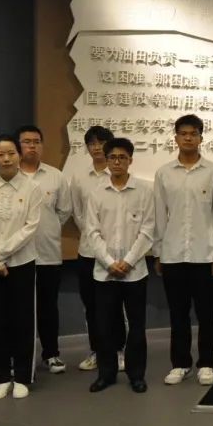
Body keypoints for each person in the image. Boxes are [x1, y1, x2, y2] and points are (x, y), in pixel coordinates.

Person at [154, 114, 213, 387]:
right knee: (178, 314)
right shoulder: (164, 173)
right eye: (183, 133)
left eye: (193, 133)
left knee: (207, 313)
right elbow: (159, 215)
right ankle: (180, 363)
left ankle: (206, 363)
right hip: (173, 253)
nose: (188, 137)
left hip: (204, 255)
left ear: (201, 138)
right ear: (175, 137)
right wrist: (158, 252)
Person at [0, 135, 43, 400]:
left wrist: (1, 253)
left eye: (11, 153)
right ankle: (0, 377)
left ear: (19, 155)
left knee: (23, 320)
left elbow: (31, 226)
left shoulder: (32, 188)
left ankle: (23, 376)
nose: (6, 159)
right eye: (0, 154)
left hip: (22, 263)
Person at [85, 138, 155, 394]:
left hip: (134, 272)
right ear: (106, 160)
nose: (117, 162)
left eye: (122, 157)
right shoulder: (96, 193)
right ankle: (106, 374)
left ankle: (136, 375)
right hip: (104, 272)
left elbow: (148, 230)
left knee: (137, 326)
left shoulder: (144, 192)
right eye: (112, 157)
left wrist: (127, 261)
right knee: (104, 326)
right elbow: (92, 232)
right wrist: (109, 262)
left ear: (130, 160)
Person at [17, 125, 73, 374]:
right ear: (18, 146)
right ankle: (21, 356)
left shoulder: (55, 176)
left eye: (36, 141)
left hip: (48, 254)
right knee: (20, 310)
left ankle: (51, 354)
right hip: (17, 256)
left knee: (48, 308)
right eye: (26, 141)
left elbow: (64, 211)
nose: (32, 146)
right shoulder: (9, 175)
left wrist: (47, 227)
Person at [68, 125, 123, 371]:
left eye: (101, 142)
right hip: (88, 251)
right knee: (91, 305)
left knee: (114, 304)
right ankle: (97, 351)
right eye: (92, 143)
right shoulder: (80, 178)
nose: (97, 147)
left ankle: (119, 350)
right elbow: (78, 213)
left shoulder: (118, 175)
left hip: (114, 253)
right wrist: (93, 236)